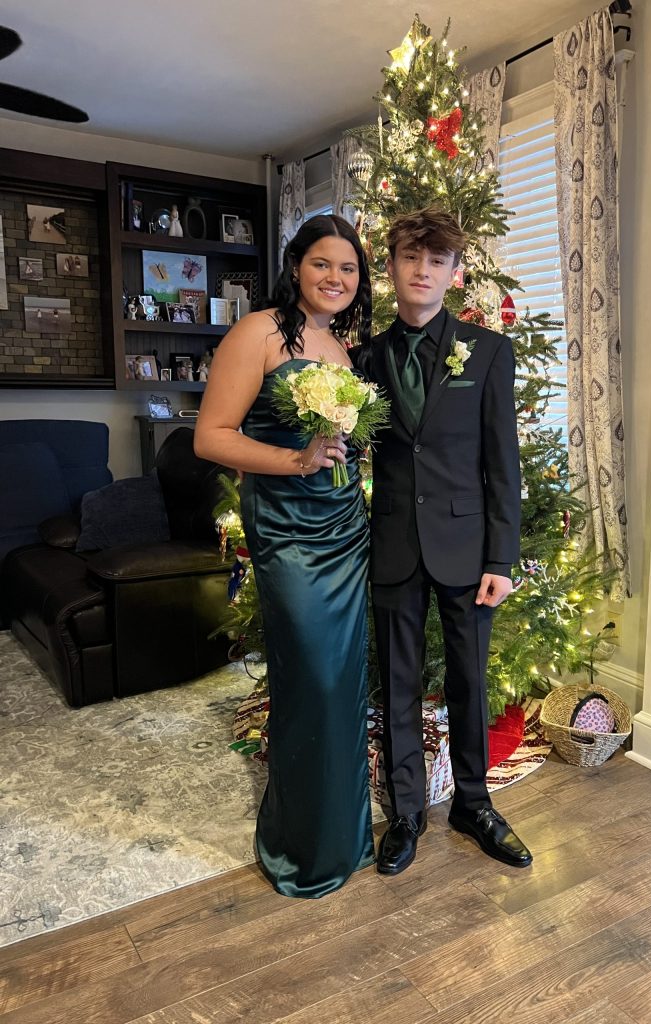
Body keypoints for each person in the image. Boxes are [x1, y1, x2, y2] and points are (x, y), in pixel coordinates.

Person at [194, 214, 374, 898]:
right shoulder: (260, 331)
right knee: (312, 686)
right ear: (296, 265)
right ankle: (299, 849)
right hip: (291, 536)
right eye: (322, 264)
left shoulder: (341, 344)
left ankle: (344, 837)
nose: (335, 278)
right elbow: (210, 438)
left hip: (344, 529)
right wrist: (294, 463)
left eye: (349, 268)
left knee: (344, 689)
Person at [354, 206, 533, 876]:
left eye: (436, 261)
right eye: (410, 258)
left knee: (469, 681)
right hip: (394, 544)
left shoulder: (488, 352)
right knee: (396, 683)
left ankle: (474, 803)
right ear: (392, 267)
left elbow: (501, 462)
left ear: (454, 274)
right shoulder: (363, 357)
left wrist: (501, 556)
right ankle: (406, 813)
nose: (422, 270)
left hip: (468, 550)